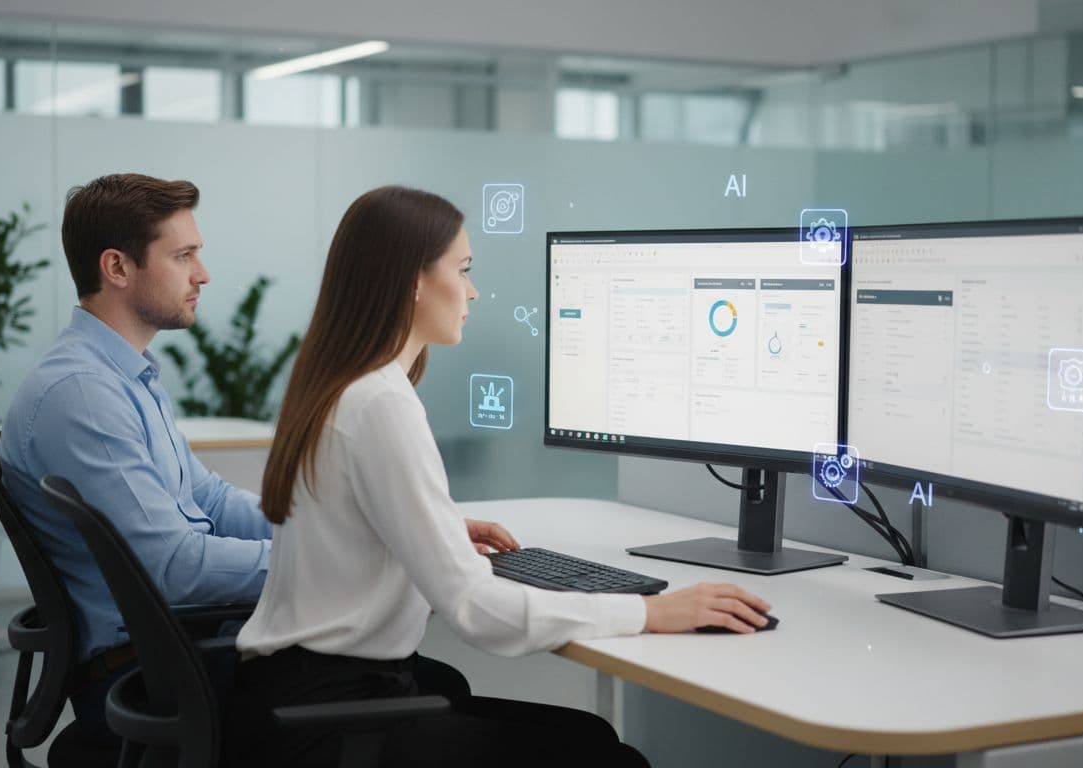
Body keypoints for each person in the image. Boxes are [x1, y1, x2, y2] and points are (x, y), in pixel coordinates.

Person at [234, 185, 773, 767]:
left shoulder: (343, 382)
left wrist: (434, 531)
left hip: (294, 691)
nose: (473, 290)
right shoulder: (380, 403)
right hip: (329, 719)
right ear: (411, 281)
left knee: (583, 734)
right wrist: (652, 612)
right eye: (462, 270)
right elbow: (476, 611)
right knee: (606, 755)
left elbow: (347, 527)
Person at [0, 174, 468, 747]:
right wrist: (330, 560)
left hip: (178, 651)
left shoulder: (122, 377)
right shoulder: (84, 395)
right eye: (184, 255)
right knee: (429, 689)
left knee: (429, 683)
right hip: (157, 675)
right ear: (117, 268)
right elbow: (173, 566)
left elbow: (210, 500)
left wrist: (366, 529)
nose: (203, 273)